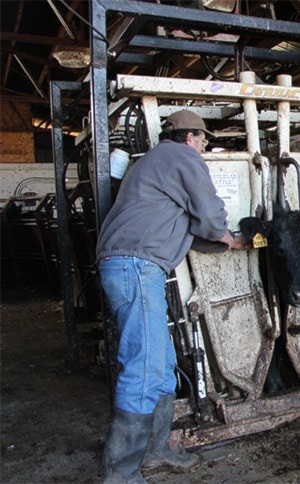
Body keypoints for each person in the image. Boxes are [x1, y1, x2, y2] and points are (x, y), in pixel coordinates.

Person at [96, 109, 244, 483]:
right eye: (204, 140)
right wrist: (227, 234)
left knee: (161, 369)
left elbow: (191, 231)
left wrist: (225, 244)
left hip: (134, 266)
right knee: (145, 370)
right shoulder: (181, 157)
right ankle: (121, 474)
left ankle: (156, 450)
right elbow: (210, 215)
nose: (205, 147)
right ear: (192, 138)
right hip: (136, 268)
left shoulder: (154, 164)